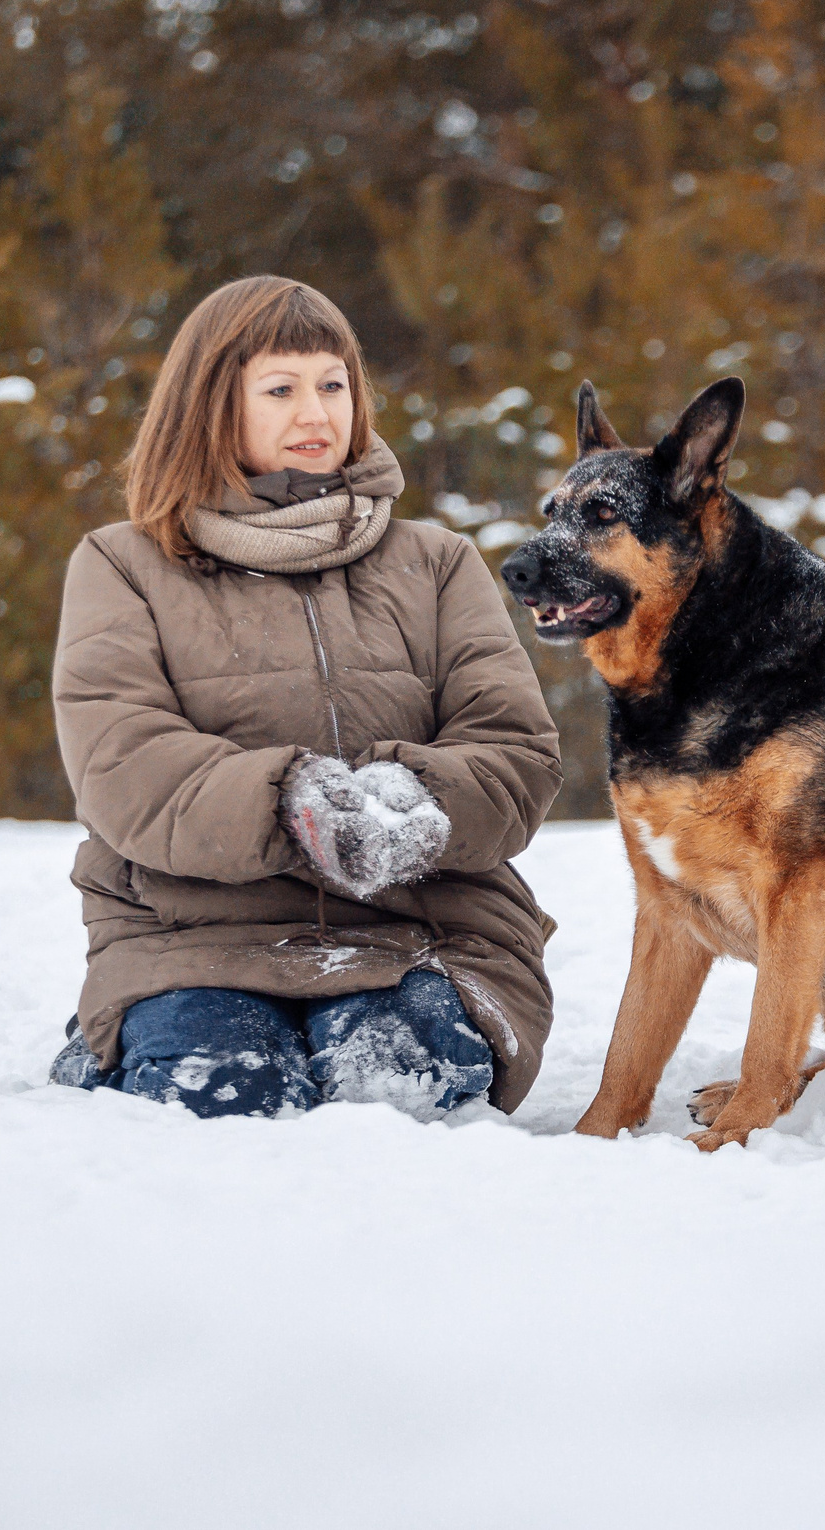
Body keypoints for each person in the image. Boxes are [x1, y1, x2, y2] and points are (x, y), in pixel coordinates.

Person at [46, 276, 562, 1120]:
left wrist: (416, 803)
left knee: (396, 1098)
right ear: (211, 406)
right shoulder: (121, 564)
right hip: (194, 938)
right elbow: (122, 760)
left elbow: (515, 750)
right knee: (226, 1101)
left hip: (422, 936)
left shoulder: (435, 562)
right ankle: (131, 1043)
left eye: (334, 385)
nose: (316, 414)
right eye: (281, 390)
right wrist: (292, 802)